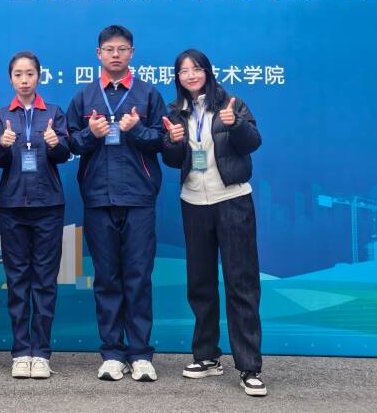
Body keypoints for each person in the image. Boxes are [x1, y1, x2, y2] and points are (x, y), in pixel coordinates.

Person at [65, 25, 169, 382]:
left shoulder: (147, 94)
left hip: (138, 197)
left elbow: (164, 141)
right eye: (109, 49)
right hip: (98, 196)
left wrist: (136, 129)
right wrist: (90, 135)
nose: (115, 55)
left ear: (132, 53)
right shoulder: (85, 97)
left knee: (138, 277)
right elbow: (68, 144)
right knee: (107, 278)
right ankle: (111, 353)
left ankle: (140, 354)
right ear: (98, 53)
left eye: (122, 49)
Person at [160, 48, 266, 397]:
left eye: (196, 68)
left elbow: (253, 142)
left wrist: (235, 125)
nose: (190, 75)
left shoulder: (231, 104)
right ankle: (206, 356)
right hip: (194, 202)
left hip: (232, 199)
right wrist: (172, 142)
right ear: (178, 78)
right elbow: (173, 159)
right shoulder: (176, 111)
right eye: (183, 71)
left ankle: (249, 366)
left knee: (241, 283)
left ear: (207, 71)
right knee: (200, 283)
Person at [0, 51, 70, 380]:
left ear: (39, 76)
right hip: (12, 207)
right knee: (18, 280)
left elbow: (64, 154)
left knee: (45, 282)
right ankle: (21, 351)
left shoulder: (53, 113)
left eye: (30, 74)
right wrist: (1, 145)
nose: (24, 80)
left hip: (48, 205)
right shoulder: (0, 116)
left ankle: (42, 353)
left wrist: (55, 143)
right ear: (11, 78)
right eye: (18, 74)